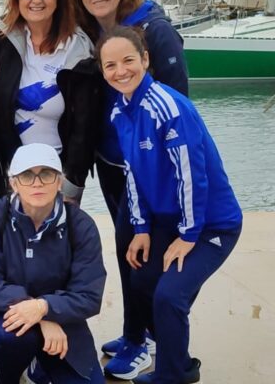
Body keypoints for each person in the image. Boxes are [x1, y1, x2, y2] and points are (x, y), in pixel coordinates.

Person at [98, 27, 242, 384]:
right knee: (143, 278)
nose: (121, 71)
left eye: (129, 60)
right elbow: (133, 173)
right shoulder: (121, 110)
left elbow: (192, 176)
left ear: (145, 59)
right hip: (170, 222)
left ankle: (172, 375)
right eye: (110, 65)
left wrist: (190, 235)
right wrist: (142, 229)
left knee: (169, 296)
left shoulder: (168, 107)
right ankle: (182, 362)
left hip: (212, 225)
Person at [71, 0, 190, 376]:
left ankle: (145, 342)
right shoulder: (90, 32)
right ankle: (135, 330)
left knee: (142, 256)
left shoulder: (154, 31)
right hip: (110, 162)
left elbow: (179, 105)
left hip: (149, 169)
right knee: (127, 252)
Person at [0, 143, 106, 384]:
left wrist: (44, 309)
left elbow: (89, 296)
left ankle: (38, 365)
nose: (37, 183)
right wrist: (39, 312)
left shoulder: (80, 225)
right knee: (15, 335)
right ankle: (9, 379)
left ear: (60, 181)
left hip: (61, 319)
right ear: (13, 183)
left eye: (47, 174)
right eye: (27, 175)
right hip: (3, 312)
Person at [0, 0, 97, 204]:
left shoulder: (78, 50)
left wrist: (71, 184)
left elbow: (85, 129)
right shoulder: (2, 42)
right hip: (14, 172)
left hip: (59, 173)